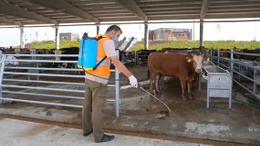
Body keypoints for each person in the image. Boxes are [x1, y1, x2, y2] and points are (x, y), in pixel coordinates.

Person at [82, 25, 138, 143]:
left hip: (88, 77)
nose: (117, 38)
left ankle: (86, 129)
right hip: (99, 81)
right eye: (117, 35)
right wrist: (130, 76)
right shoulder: (107, 42)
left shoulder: (96, 38)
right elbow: (116, 62)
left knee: (87, 105)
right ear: (113, 32)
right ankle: (99, 136)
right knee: (98, 108)